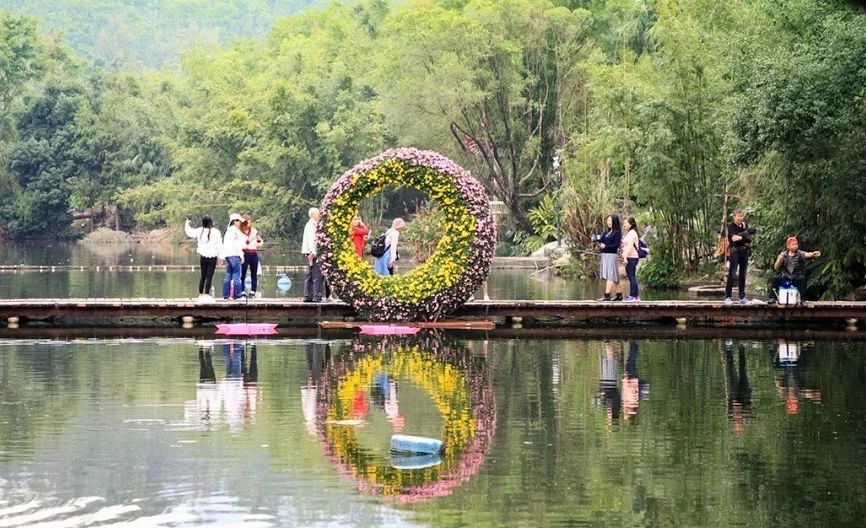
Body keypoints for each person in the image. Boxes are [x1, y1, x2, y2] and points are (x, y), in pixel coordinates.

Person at [768, 236, 821, 305]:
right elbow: (776, 268)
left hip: (796, 277)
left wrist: (813, 254)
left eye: (796, 244)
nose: (795, 246)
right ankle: (773, 298)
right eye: (793, 244)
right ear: (788, 246)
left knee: (802, 279)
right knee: (775, 278)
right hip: (786, 277)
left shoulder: (800, 253)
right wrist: (779, 261)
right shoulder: (783, 255)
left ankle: (802, 300)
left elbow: (807, 254)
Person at [184, 214, 222, 302]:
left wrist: (187, 222)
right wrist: (221, 257)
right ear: (211, 223)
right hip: (212, 257)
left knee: (203, 277)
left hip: (203, 257)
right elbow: (220, 245)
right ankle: (206, 295)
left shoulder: (199, 231)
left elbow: (189, 232)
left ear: (203, 223)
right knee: (209, 277)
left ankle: (201, 295)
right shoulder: (216, 232)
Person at [724, 209, 756, 305]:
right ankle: (728, 297)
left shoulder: (745, 225)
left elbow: (749, 239)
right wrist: (744, 236)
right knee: (732, 274)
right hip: (735, 252)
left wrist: (741, 237)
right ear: (734, 217)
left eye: (742, 216)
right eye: (738, 216)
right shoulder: (730, 226)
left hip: (744, 251)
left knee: (743, 275)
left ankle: (742, 297)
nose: (740, 218)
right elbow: (733, 239)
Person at [595, 214, 623, 301]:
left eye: (610, 221)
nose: (609, 222)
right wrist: (596, 239)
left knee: (610, 275)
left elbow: (616, 245)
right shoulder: (607, 231)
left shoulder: (617, 232)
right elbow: (601, 239)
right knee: (614, 275)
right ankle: (619, 295)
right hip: (605, 255)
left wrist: (606, 246)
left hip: (612, 255)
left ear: (614, 222)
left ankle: (606, 295)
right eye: (608, 221)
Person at [220, 213, 245, 300]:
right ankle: (238, 295)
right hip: (235, 255)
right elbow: (237, 245)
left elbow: (224, 245)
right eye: (239, 221)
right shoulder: (235, 231)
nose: (240, 223)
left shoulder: (228, 231)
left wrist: (223, 257)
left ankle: (226, 295)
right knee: (237, 275)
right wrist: (242, 256)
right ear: (234, 221)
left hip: (228, 256)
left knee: (228, 275)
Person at [301, 207, 324, 302]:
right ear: (314, 215)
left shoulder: (313, 224)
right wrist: (314, 252)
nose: (319, 215)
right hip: (313, 252)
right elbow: (311, 240)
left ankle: (308, 295)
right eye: (318, 213)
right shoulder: (311, 225)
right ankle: (316, 295)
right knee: (317, 275)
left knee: (310, 274)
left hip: (311, 251)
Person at [239, 213, 264, 299]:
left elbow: (261, 242)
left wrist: (257, 241)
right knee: (242, 273)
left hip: (253, 253)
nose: (249, 224)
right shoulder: (240, 232)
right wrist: (249, 240)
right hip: (245, 253)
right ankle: (242, 291)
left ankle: (253, 291)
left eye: (250, 222)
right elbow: (242, 243)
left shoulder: (254, 231)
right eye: (247, 222)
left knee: (254, 273)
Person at [621, 216, 640, 302]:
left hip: (631, 257)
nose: (624, 225)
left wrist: (625, 258)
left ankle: (634, 296)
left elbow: (629, 246)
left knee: (631, 276)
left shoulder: (632, 233)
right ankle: (635, 296)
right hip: (629, 257)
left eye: (625, 223)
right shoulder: (629, 233)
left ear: (631, 224)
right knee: (631, 276)